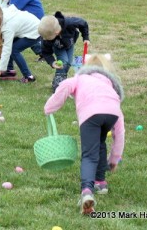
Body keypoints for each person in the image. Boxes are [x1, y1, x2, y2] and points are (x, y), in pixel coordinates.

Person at [44, 54, 125, 215]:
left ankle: (87, 191)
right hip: (112, 113)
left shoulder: (80, 78)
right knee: (100, 142)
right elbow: (120, 130)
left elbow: (64, 86)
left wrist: (50, 107)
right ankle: (100, 182)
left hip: (91, 114)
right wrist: (114, 158)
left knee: (89, 154)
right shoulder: (110, 86)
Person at [0, 3, 40, 83]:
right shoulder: (1, 16)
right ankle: (9, 71)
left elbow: (7, 49)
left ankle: (28, 77)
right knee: (11, 46)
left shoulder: (8, 27)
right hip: (28, 28)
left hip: (35, 31)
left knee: (13, 50)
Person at [38, 12, 90, 92]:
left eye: (47, 38)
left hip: (70, 43)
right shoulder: (46, 37)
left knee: (68, 62)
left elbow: (83, 23)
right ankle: (58, 83)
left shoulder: (70, 23)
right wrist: (52, 62)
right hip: (58, 46)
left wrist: (86, 37)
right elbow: (45, 52)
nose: (45, 40)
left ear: (56, 33)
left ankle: (62, 79)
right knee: (64, 61)